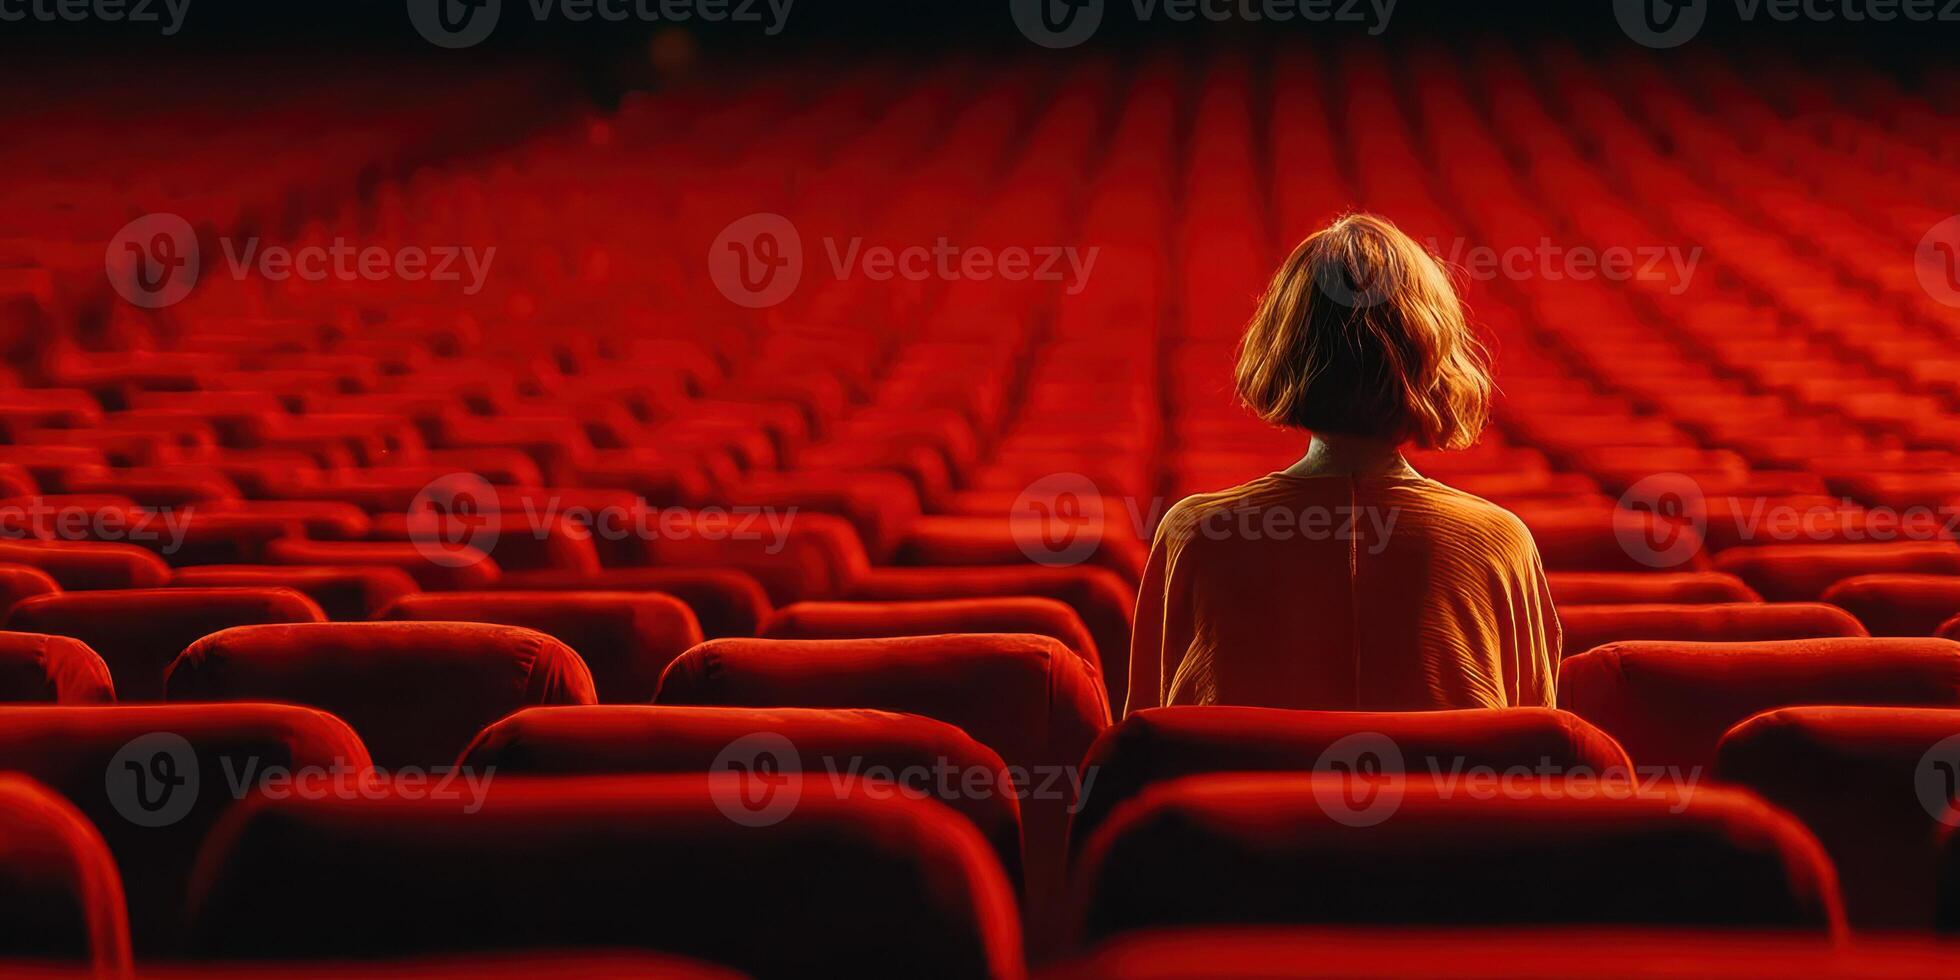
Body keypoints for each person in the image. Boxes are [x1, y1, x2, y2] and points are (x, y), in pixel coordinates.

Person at [1126, 213, 1560, 716]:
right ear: (1431, 359)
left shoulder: (1195, 534)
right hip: (1440, 800)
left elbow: (1146, 750)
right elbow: (1531, 764)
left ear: (1285, 351)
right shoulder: (1498, 543)